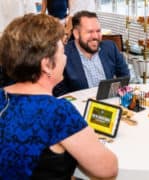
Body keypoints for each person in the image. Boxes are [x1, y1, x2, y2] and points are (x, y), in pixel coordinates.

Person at [0, 14, 118, 179]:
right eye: (62, 51)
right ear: (47, 65)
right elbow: (108, 168)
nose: (66, 58)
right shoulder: (57, 112)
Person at [53, 10, 130, 96]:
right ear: (76, 34)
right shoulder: (63, 55)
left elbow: (125, 76)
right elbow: (59, 93)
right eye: (90, 32)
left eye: (98, 31)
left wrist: (111, 95)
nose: (95, 36)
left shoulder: (110, 47)